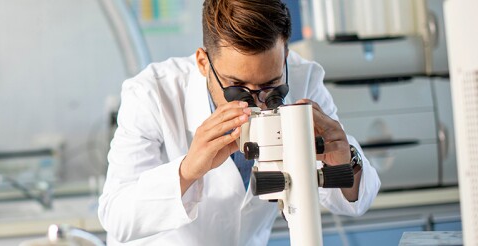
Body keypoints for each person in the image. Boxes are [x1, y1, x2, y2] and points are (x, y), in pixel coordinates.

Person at [98, 0, 381, 245]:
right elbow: (117, 217)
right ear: (203, 63)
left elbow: (354, 202)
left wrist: (347, 161)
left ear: (285, 57)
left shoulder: (304, 79)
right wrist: (188, 170)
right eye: (236, 88)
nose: (257, 103)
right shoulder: (152, 93)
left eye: (272, 87)